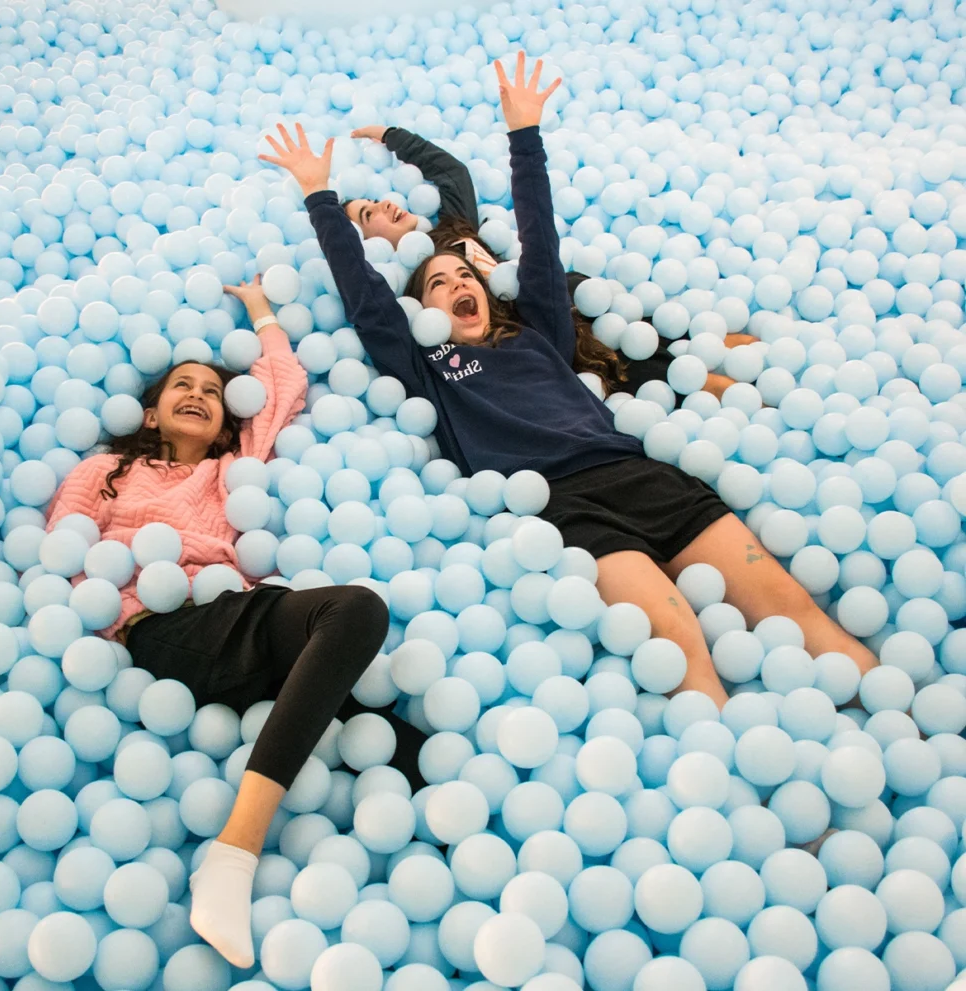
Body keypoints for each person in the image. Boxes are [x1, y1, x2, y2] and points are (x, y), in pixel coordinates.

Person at [260, 53, 879, 711]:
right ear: (422, 313)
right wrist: (318, 195)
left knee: (796, 609)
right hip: (563, 508)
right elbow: (364, 295)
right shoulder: (428, 370)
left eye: (464, 275)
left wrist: (524, 134)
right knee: (680, 640)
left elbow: (539, 234)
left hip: (642, 477)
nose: (457, 283)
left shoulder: (539, 333)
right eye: (437, 284)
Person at [46, 277, 390, 969]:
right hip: (163, 626)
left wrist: (259, 308)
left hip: (237, 617)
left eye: (211, 387)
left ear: (228, 413)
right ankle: (233, 852)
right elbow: (66, 557)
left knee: (390, 724)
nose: (198, 393)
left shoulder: (235, 469)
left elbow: (283, 381)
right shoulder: (105, 470)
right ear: (151, 414)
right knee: (355, 610)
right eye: (182, 385)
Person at [344, 123, 753, 401]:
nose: (382, 205)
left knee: (677, 339)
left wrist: (391, 136)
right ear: (367, 243)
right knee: (664, 374)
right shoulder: (413, 291)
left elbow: (452, 174)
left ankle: (749, 354)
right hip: (551, 337)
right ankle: (745, 396)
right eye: (368, 215)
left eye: (376, 200)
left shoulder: (450, 229)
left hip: (576, 297)